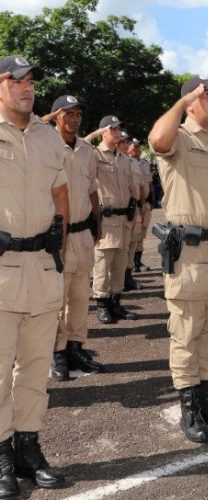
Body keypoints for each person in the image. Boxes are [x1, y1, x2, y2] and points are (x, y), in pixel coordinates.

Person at [149, 75, 208, 444]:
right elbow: (157, 140)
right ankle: (189, 407)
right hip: (190, 253)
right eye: (205, 93)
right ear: (189, 102)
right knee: (186, 332)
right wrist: (180, 102)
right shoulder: (178, 139)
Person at [0, 56, 68, 496]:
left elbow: (59, 190)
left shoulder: (47, 136)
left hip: (42, 268)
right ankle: (1, 455)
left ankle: (29, 446)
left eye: (31, 81)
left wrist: (58, 240)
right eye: (17, 80)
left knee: (36, 367)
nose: (28, 87)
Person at [42, 95, 105, 380]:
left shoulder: (85, 149)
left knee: (80, 296)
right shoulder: (45, 144)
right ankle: (57, 352)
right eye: (68, 114)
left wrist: (97, 219)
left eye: (77, 114)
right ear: (56, 116)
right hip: (59, 235)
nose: (74, 119)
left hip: (82, 234)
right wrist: (46, 120)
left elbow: (91, 186)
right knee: (57, 297)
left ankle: (76, 347)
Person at [87, 116, 138, 323]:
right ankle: (102, 303)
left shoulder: (124, 158)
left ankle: (116, 303)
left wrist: (134, 208)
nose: (118, 132)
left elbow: (131, 186)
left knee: (120, 263)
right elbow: (78, 146)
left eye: (119, 128)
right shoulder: (94, 154)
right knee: (102, 264)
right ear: (104, 132)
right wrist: (97, 134)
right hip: (105, 221)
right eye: (113, 129)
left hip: (124, 219)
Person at [116, 131, 144, 292]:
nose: (126, 144)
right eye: (123, 142)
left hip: (135, 208)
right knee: (123, 247)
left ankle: (128, 277)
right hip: (123, 210)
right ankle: (120, 281)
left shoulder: (131, 162)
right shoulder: (115, 162)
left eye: (127, 142)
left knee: (132, 243)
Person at [129, 138, 154, 273]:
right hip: (134, 204)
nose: (137, 149)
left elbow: (149, 182)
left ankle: (137, 261)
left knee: (142, 233)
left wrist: (152, 200)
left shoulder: (145, 163)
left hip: (145, 204)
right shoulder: (127, 162)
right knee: (132, 234)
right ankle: (130, 262)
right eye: (134, 146)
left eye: (138, 146)